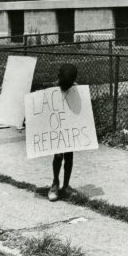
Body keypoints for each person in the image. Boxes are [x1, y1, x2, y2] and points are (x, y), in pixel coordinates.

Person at [48, 63, 79, 202]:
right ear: (58, 78)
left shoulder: (76, 89)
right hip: (57, 128)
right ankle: (55, 184)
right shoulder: (52, 89)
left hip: (69, 127)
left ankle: (66, 185)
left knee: (69, 156)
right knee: (58, 156)